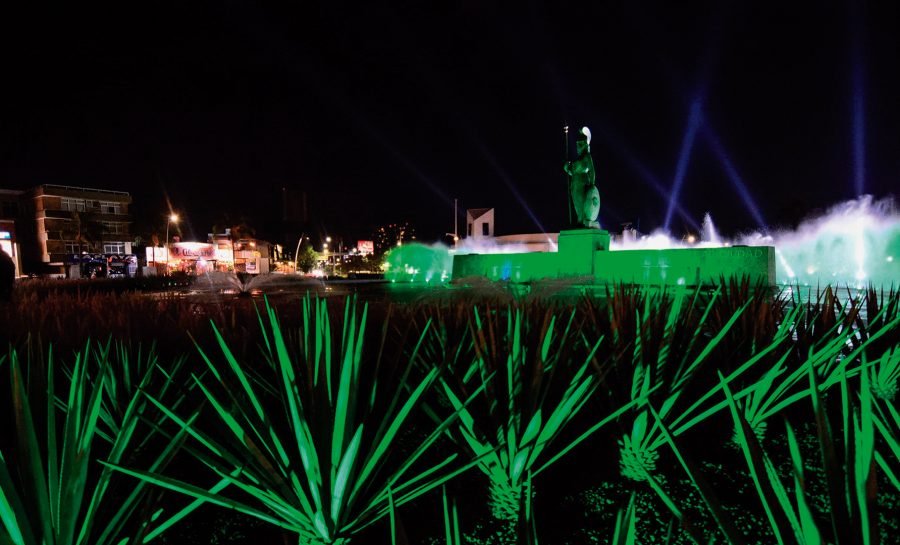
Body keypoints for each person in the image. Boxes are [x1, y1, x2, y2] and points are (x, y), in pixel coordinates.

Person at [564, 126, 601, 228]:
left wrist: (592, 185)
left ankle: (582, 221)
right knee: (576, 204)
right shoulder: (578, 160)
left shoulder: (587, 157)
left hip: (582, 183)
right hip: (574, 184)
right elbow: (572, 172)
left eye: (580, 145)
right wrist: (567, 168)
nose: (577, 147)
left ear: (585, 145)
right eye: (577, 145)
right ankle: (579, 220)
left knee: (581, 203)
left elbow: (592, 171)